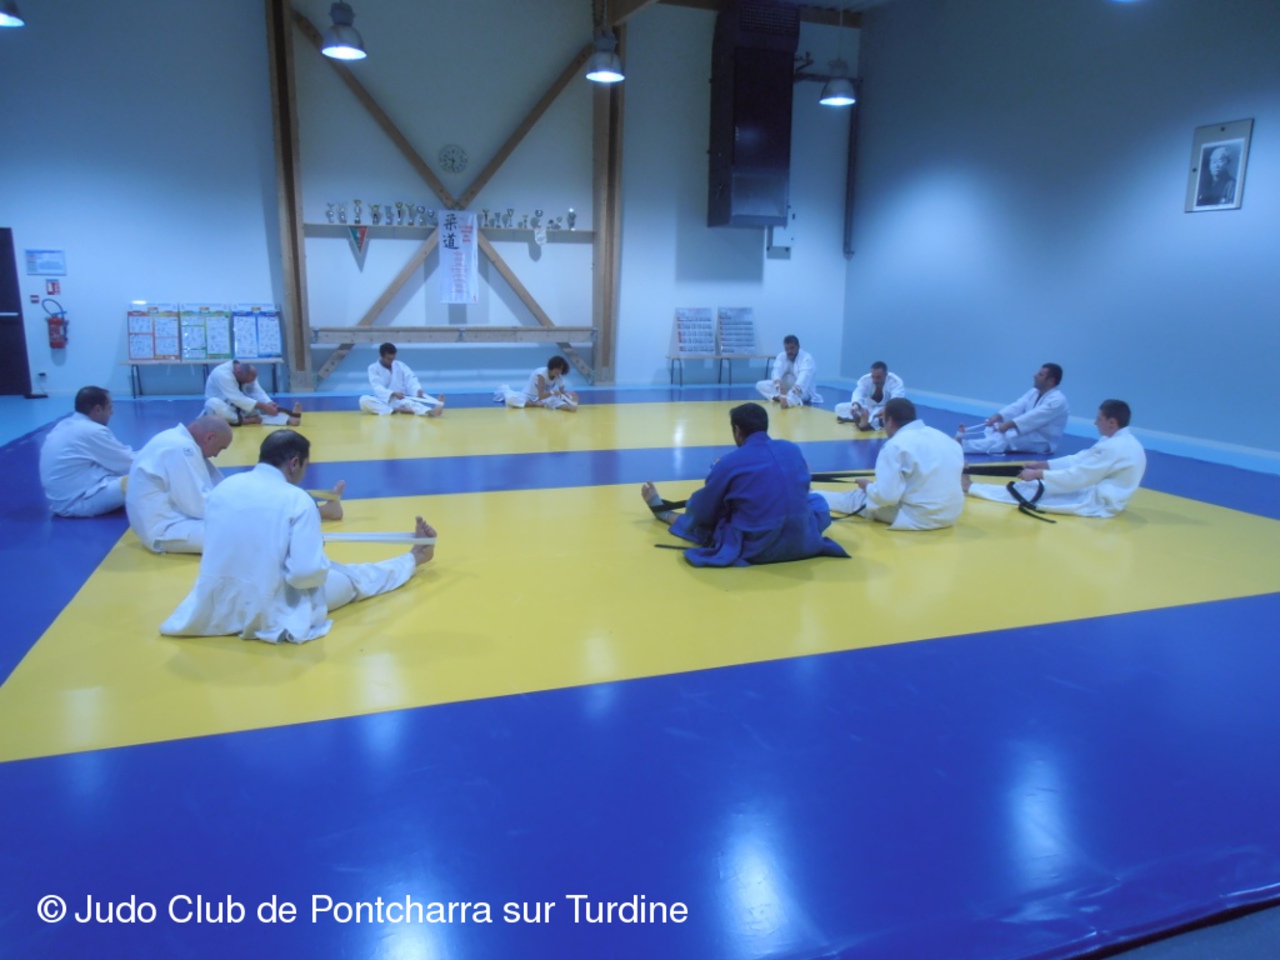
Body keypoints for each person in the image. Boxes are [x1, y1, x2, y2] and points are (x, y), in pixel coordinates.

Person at [161, 430, 435, 644]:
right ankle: (414, 558)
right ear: (294, 463)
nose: (304, 474)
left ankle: (413, 557)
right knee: (354, 577)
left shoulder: (224, 488)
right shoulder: (297, 499)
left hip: (216, 604)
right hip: (271, 608)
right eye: (305, 466)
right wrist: (317, 556)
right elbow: (306, 575)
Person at [641, 402, 848, 566]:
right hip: (803, 539)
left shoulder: (729, 462)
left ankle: (664, 513)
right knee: (817, 502)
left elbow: (703, 510)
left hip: (759, 547)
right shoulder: (791, 449)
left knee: (708, 521)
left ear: (737, 431)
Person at [964, 400, 1146, 518]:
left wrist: (1038, 474)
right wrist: (1044, 465)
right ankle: (974, 485)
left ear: (1112, 422)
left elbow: (1079, 476)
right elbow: (1080, 459)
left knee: (1032, 489)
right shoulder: (1120, 441)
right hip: (1102, 492)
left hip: (1097, 501)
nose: (1095, 422)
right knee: (1036, 485)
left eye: (1099, 419)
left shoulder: (1114, 447)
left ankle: (971, 487)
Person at [815, 397, 964, 531]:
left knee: (856, 498)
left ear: (890, 421)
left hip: (920, 518)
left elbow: (887, 497)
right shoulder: (945, 438)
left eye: (883, 420)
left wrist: (868, 487)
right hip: (951, 514)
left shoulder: (896, 445)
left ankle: (810, 496)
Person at [38, 386, 135, 518]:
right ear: (98, 409)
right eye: (109, 408)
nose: (111, 413)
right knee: (144, 476)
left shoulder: (65, 425)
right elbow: (129, 463)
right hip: (78, 503)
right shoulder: (92, 430)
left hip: (64, 499)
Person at [957, 363, 1068, 455]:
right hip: (1029, 431)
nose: (1035, 375)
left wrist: (1006, 425)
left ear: (1051, 381)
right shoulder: (1034, 392)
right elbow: (1017, 406)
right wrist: (996, 417)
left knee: (1004, 439)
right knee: (993, 428)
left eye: (1040, 374)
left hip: (1042, 441)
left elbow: (1032, 418)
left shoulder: (1058, 401)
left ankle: (961, 446)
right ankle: (965, 443)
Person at [203, 359, 301, 427]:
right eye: (246, 381)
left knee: (260, 413)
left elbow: (256, 391)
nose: (247, 383)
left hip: (240, 407)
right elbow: (236, 398)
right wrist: (263, 406)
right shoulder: (222, 374)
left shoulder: (247, 372)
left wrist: (268, 403)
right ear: (238, 374)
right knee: (212, 403)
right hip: (223, 408)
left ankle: (289, 420)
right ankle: (246, 421)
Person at [359, 342, 444, 417]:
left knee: (411, 404)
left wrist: (417, 390)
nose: (391, 361)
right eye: (389, 359)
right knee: (364, 400)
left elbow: (410, 379)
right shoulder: (373, 368)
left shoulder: (400, 365)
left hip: (400, 400)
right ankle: (396, 410)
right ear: (382, 356)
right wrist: (392, 393)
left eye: (393, 359)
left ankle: (433, 411)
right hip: (382, 400)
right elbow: (376, 386)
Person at [835, 361, 905, 431]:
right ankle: (866, 419)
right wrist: (856, 406)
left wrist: (885, 410)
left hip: (885, 409)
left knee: (887, 416)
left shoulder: (895, 382)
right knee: (839, 408)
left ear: (885, 375)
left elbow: (896, 401)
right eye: (873, 377)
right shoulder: (866, 379)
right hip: (868, 408)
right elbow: (858, 393)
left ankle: (867, 420)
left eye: (878, 377)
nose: (875, 380)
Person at [756, 335, 821, 408]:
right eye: (786, 349)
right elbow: (776, 371)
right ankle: (783, 398)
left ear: (798, 347)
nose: (789, 351)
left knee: (797, 393)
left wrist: (792, 393)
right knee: (760, 385)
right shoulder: (782, 356)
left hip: (804, 390)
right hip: (786, 388)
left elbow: (803, 380)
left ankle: (786, 400)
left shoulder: (807, 359)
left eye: (792, 348)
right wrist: (778, 384)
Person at [497, 355, 579, 411]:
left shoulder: (559, 378)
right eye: (557, 368)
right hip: (528, 396)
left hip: (544, 399)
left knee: (558, 402)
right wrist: (553, 392)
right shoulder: (541, 374)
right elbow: (541, 395)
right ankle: (535, 404)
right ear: (552, 367)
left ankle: (573, 406)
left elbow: (561, 394)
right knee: (511, 399)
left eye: (561, 369)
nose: (559, 371)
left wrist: (569, 397)